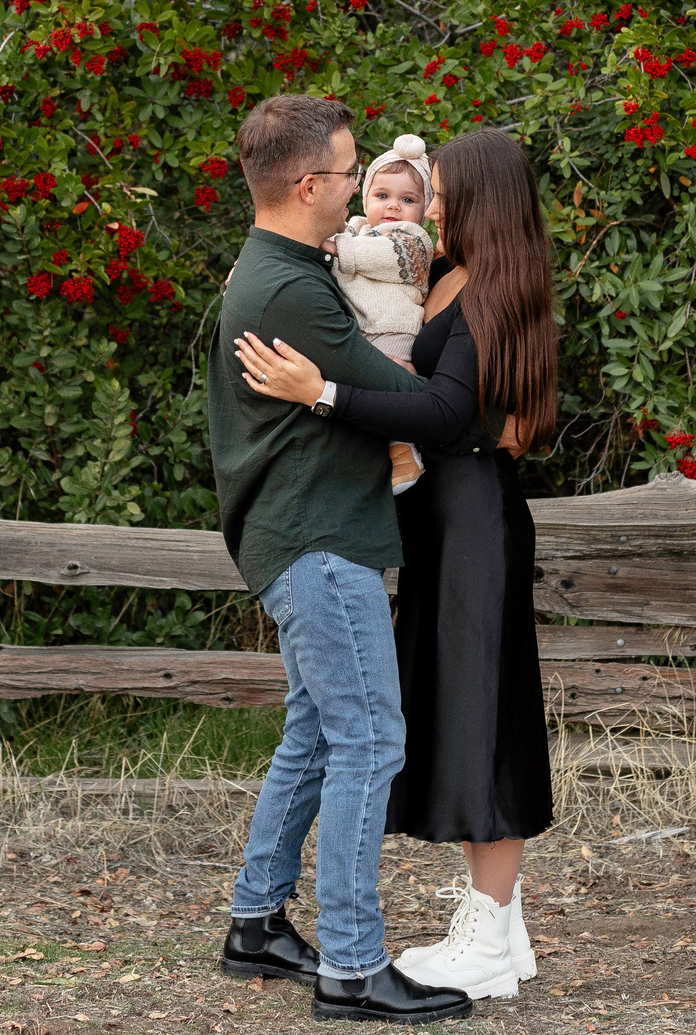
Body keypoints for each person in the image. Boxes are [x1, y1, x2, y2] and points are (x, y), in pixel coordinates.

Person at [235, 127, 559, 1003]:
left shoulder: (495, 286)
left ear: (484, 197)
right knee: (459, 711)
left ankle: (487, 933)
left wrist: (326, 393)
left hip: (474, 519)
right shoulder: (444, 273)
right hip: (437, 520)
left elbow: (452, 414)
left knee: (482, 719)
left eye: (445, 188)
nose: (432, 198)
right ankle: (502, 927)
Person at [207, 93, 472, 1026]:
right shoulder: (292, 290)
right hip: (318, 539)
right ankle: (354, 966)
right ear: (310, 183)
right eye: (351, 169)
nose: (361, 185)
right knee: (370, 741)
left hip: (304, 534)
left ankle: (256, 923)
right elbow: (403, 393)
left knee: (317, 735)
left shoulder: (289, 268)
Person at [330, 132, 436, 493]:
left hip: (392, 329)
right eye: (382, 196)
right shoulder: (353, 230)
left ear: (424, 209)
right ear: (365, 198)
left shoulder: (414, 241)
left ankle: (404, 454)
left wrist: (333, 248)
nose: (393, 207)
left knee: (384, 394)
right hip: (360, 327)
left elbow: (382, 256)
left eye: (408, 199)